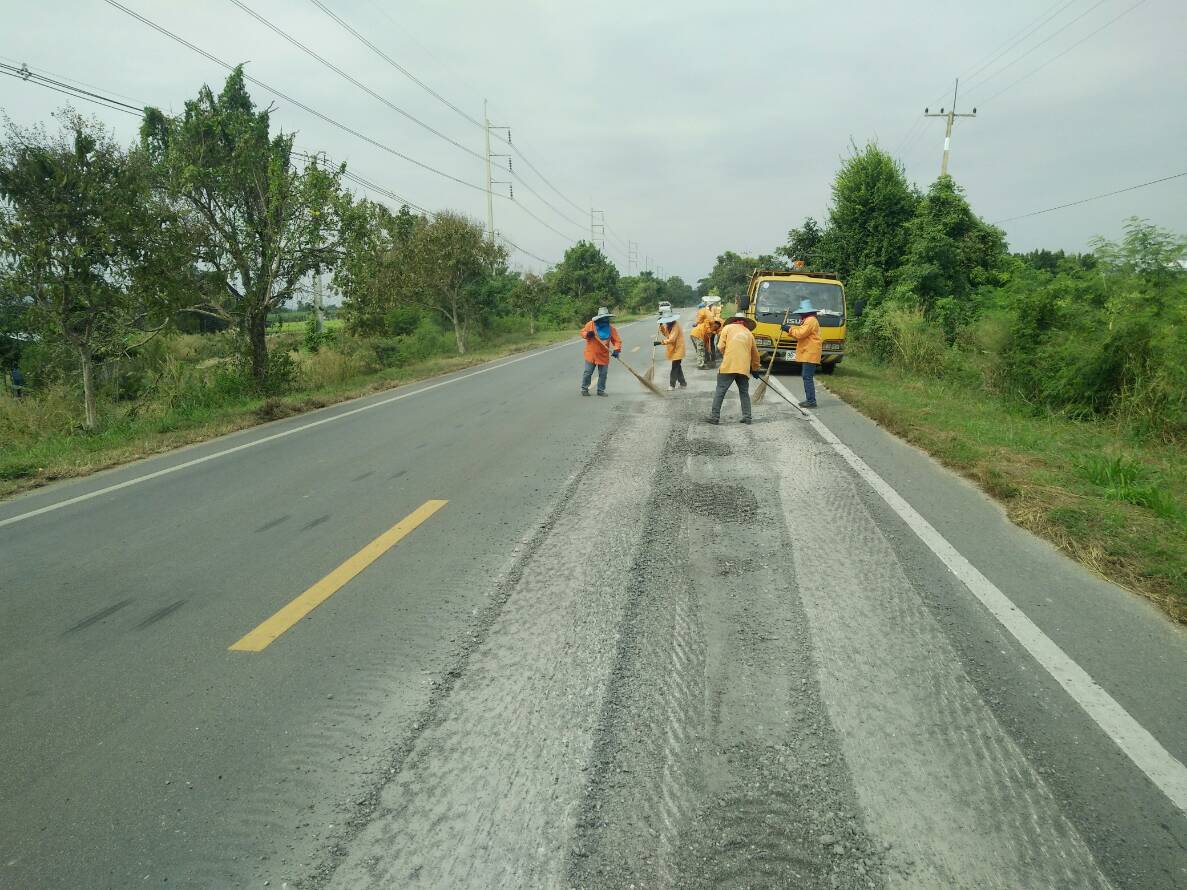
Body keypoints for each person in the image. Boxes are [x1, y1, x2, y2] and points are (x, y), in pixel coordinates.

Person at [707, 312, 760, 424]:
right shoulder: (749, 333)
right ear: (745, 322)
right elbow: (755, 354)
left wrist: (727, 355)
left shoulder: (727, 328)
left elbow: (720, 346)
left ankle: (714, 417)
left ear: (733, 320)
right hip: (743, 367)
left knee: (720, 391)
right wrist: (755, 368)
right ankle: (747, 417)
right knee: (744, 392)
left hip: (728, 365)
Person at [783, 298, 821, 408]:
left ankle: (811, 401)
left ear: (806, 312)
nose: (800, 315)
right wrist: (789, 329)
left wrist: (789, 329)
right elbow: (800, 333)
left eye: (801, 313)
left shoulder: (810, 320)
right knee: (807, 376)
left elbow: (800, 333)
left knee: (807, 377)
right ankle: (810, 400)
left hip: (810, 352)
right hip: (809, 352)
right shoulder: (809, 320)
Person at [578, 306, 622, 397]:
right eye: (603, 317)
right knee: (588, 372)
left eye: (606, 317)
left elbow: (617, 341)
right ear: (599, 317)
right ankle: (584, 389)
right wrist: (587, 334)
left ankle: (600, 390)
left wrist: (617, 350)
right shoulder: (591, 325)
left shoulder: (610, 329)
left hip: (603, 354)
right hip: (591, 354)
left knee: (603, 374)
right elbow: (582, 332)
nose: (604, 319)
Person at [655, 310, 686, 389]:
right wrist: (661, 326)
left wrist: (660, 342)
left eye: (667, 321)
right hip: (673, 349)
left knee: (675, 367)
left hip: (678, 349)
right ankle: (683, 383)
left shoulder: (675, 326)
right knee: (677, 367)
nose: (667, 322)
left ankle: (672, 385)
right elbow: (666, 334)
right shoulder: (668, 325)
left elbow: (672, 339)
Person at [689, 299, 712, 369]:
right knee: (701, 350)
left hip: (693, 333)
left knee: (699, 350)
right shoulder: (704, 312)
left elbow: (707, 343)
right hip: (698, 334)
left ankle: (702, 361)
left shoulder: (704, 319)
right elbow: (707, 342)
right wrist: (709, 350)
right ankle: (701, 365)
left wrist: (708, 350)